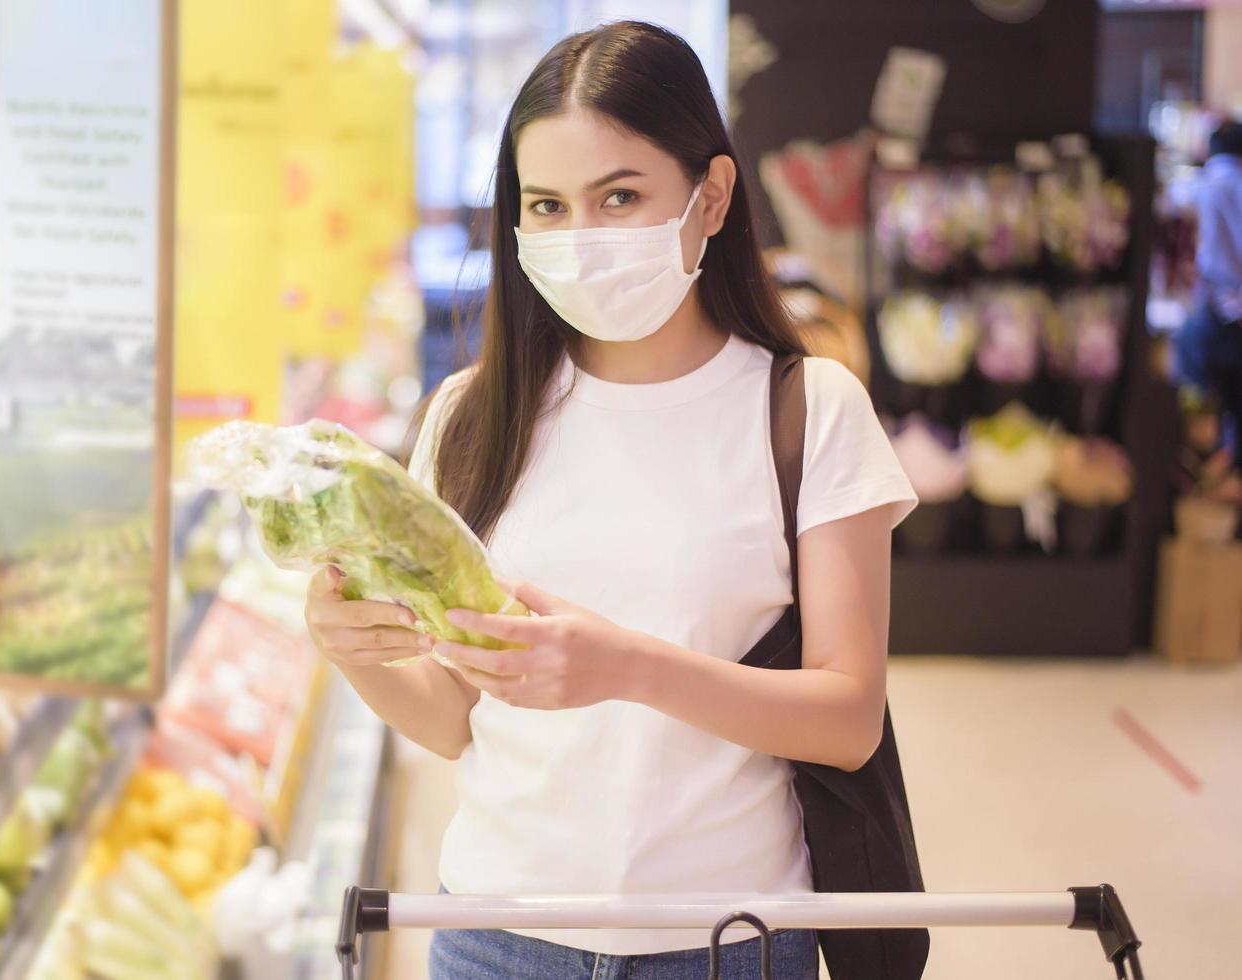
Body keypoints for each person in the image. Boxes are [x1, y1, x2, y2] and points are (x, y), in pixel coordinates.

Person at [305, 22, 922, 980]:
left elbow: (847, 719)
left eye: (620, 197)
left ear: (710, 196)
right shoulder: (471, 418)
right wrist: (351, 649)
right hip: (494, 939)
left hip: (729, 944)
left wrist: (624, 666)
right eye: (546, 205)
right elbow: (449, 718)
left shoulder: (807, 409)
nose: (579, 237)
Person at [1172, 119, 1242, 466]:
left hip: (1205, 310)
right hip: (1234, 313)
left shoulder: (1192, 186)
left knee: (1198, 405)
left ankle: (1202, 472)